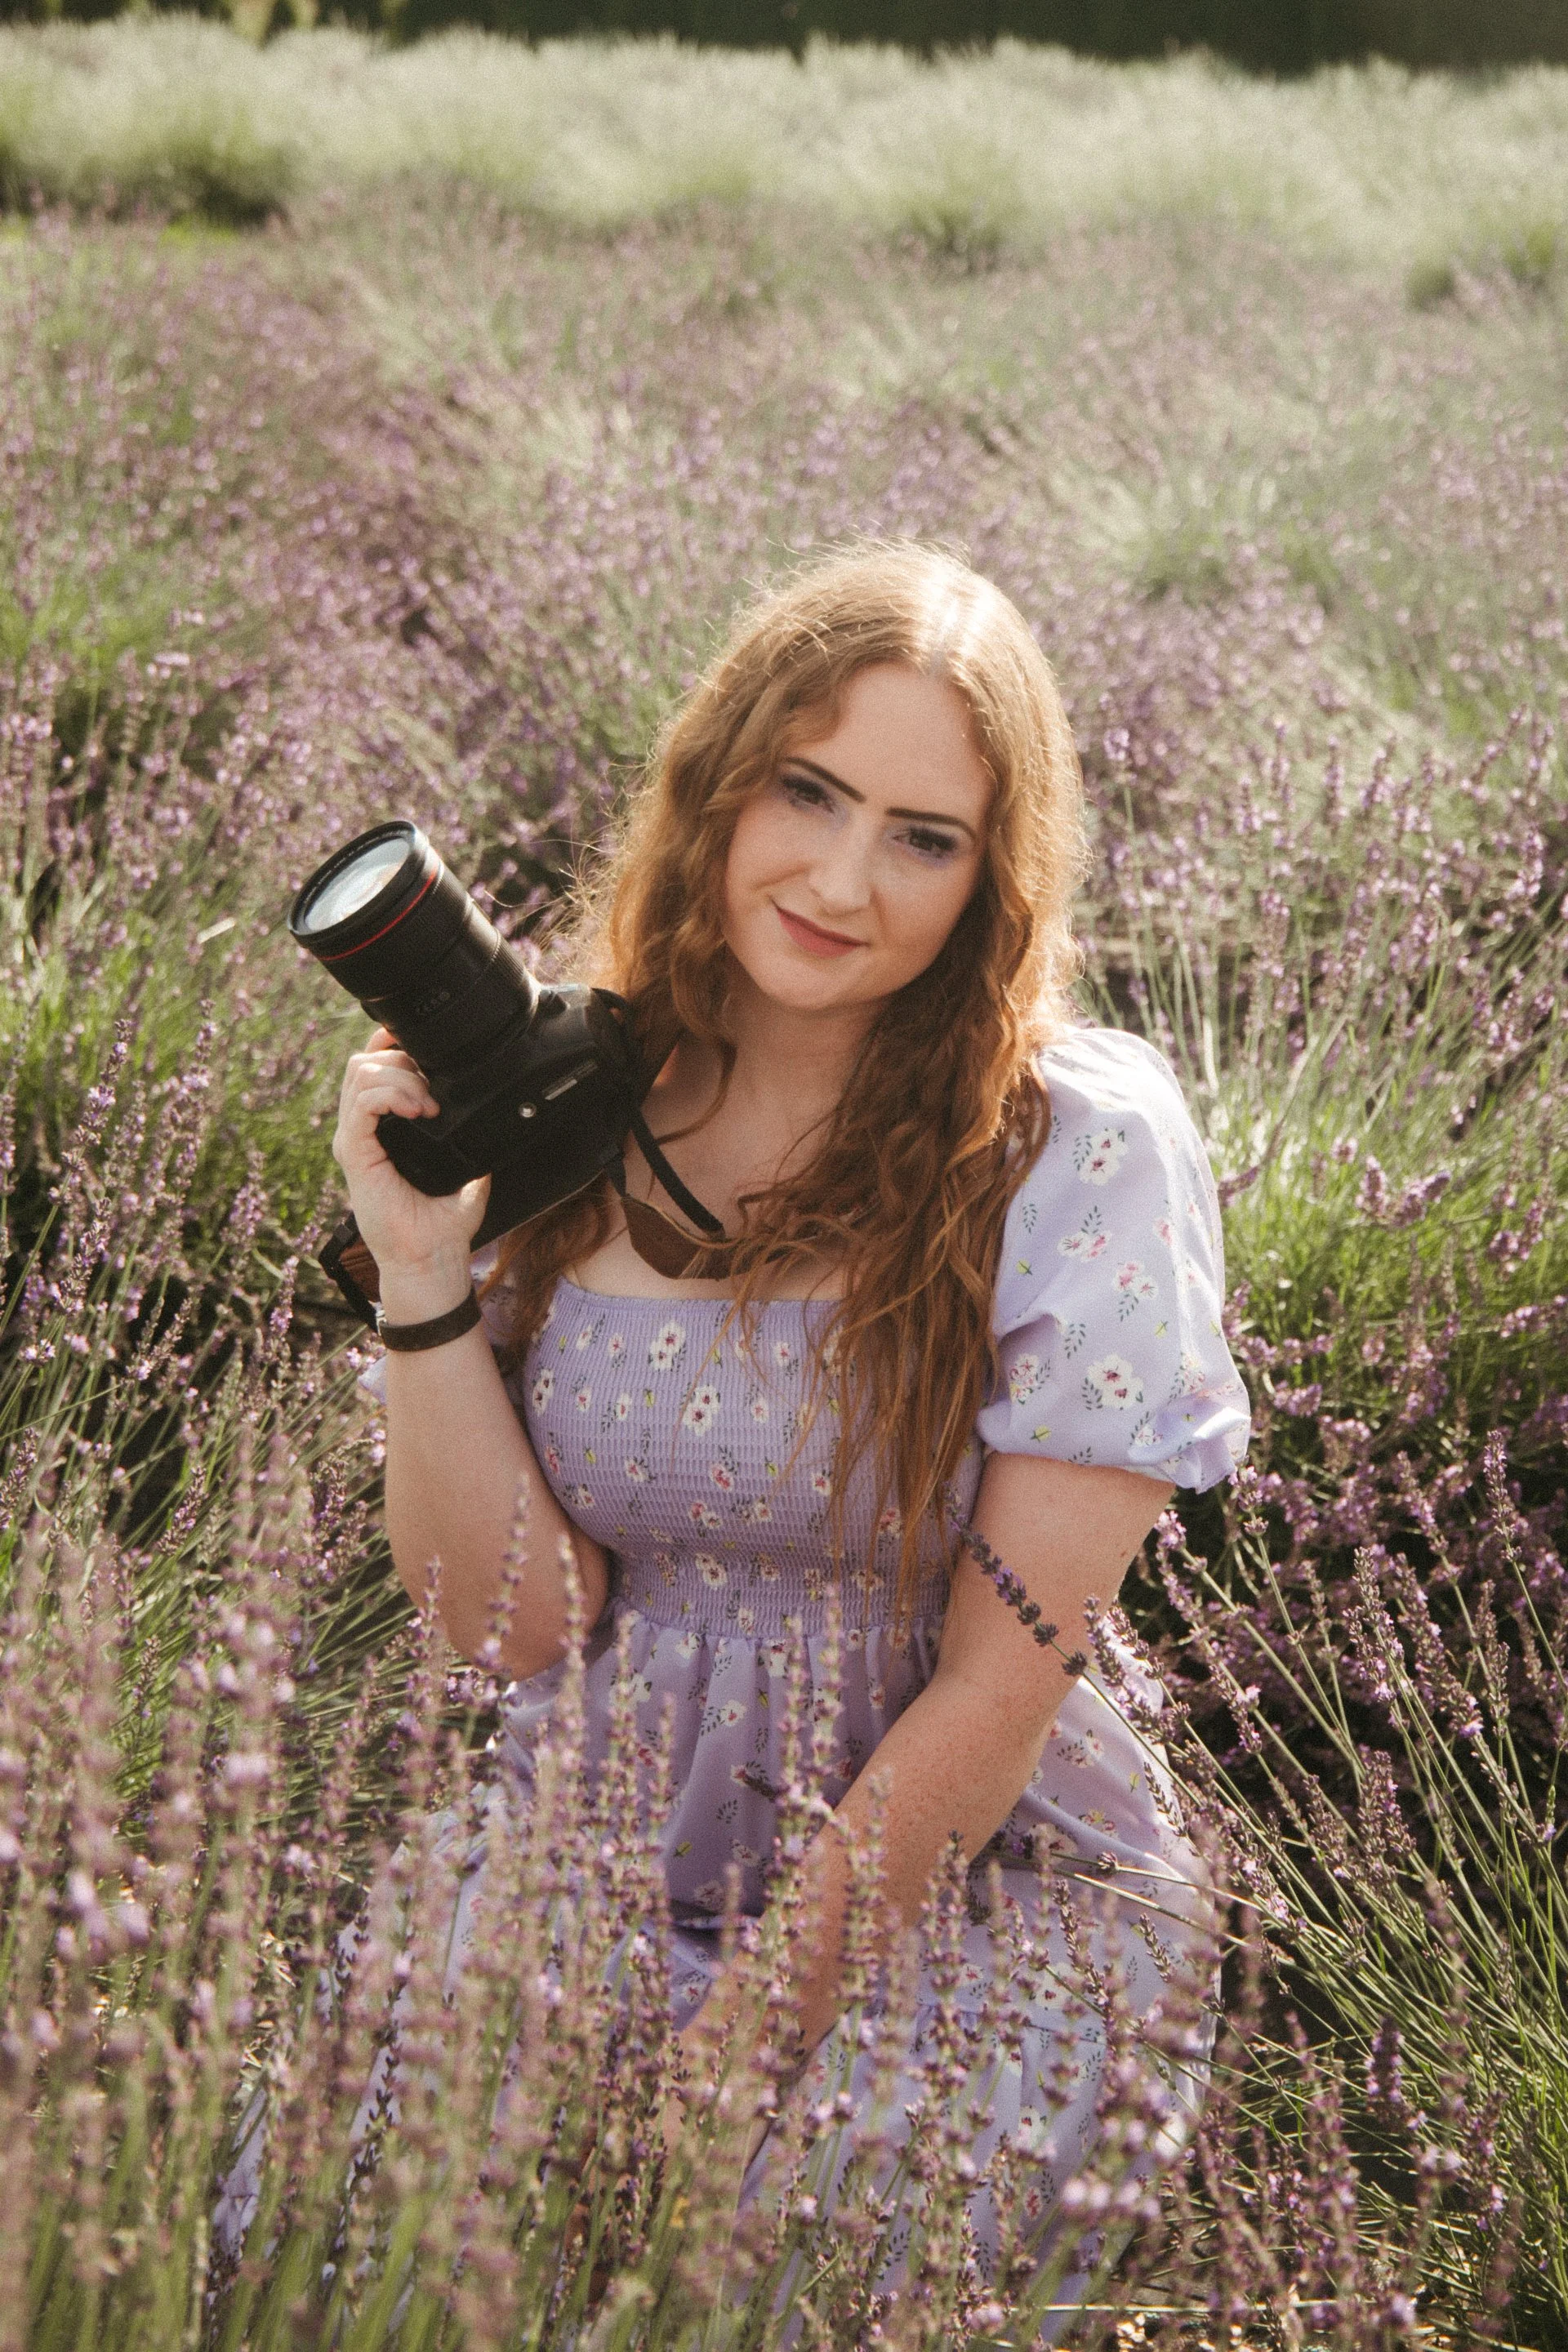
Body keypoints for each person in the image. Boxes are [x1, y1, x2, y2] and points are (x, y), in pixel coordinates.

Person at [337, 542, 1251, 2323]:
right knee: (369, 2274)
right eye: (808, 791)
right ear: (717, 786)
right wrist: (424, 1274)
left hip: (973, 1878)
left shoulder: (1078, 1149)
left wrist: (735, 2053)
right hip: (592, 1835)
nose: (842, 878)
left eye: (925, 835)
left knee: (759, 2291)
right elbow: (506, 1632)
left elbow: (1003, 1686)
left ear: (996, 879)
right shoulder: (581, 1093)